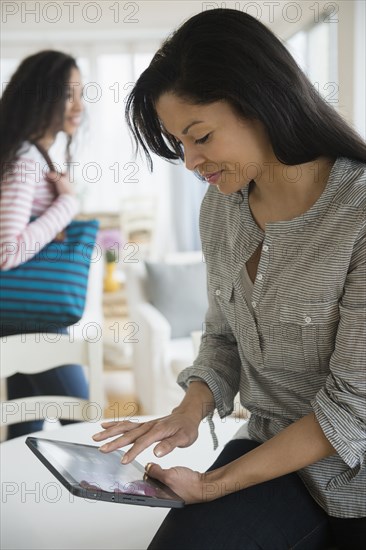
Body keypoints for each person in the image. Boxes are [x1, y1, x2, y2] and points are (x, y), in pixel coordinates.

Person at [92, 9, 366, 549]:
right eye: (179, 142)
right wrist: (189, 411)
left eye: (201, 136)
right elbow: (223, 336)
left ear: (262, 103)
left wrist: (213, 485)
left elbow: (354, 405)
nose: (190, 160)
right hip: (272, 455)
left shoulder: (357, 213)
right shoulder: (222, 208)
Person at [0, 50, 88, 439]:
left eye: (82, 94)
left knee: (26, 424)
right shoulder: (25, 158)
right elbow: (7, 251)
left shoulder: (30, 154)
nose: (80, 106)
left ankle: (19, 497)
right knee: (83, 419)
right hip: (33, 319)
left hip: (21, 315)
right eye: (69, 94)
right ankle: (104, 498)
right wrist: (68, 205)